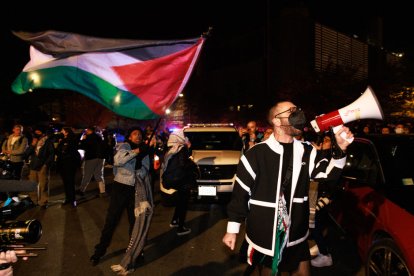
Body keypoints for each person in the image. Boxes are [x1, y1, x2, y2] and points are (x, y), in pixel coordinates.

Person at [222, 101, 353, 276]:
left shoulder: (308, 151)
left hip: (297, 232)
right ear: (276, 121)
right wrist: (232, 229)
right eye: (291, 111)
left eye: (297, 110)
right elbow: (240, 193)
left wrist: (341, 149)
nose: (297, 114)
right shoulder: (255, 154)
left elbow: (327, 175)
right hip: (265, 233)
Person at [90, 127, 150, 267]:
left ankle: (136, 252)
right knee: (111, 221)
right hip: (120, 188)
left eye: (140, 134)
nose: (138, 136)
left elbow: (146, 169)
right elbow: (118, 161)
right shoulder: (124, 146)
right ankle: (100, 251)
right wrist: (136, 152)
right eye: (135, 133)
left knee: (135, 223)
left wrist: (139, 171)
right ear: (129, 136)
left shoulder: (144, 150)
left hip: (135, 190)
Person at [161, 129, 196, 236]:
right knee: (183, 203)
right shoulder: (182, 149)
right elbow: (183, 164)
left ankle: (174, 221)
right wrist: (192, 163)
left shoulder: (171, 149)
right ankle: (181, 228)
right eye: (183, 136)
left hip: (176, 180)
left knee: (180, 201)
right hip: (183, 181)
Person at [25, 126, 55, 208]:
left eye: (39, 132)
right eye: (36, 132)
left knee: (43, 184)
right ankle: (33, 200)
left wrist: (46, 165)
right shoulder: (33, 141)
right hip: (33, 165)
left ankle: (43, 202)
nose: (37, 133)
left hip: (43, 166)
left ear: (43, 133)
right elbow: (26, 153)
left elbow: (52, 154)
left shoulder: (48, 142)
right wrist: (32, 145)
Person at [77, 126, 107, 197]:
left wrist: (83, 140)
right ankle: (102, 191)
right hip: (101, 158)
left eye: (86, 130)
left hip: (91, 157)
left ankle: (82, 190)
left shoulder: (89, 137)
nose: (86, 131)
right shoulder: (99, 137)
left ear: (89, 130)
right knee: (99, 175)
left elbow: (82, 146)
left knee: (87, 175)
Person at [56, 127, 81, 208]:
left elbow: (70, 151)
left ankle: (73, 199)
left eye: (62, 131)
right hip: (62, 164)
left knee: (70, 182)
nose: (61, 132)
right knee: (65, 182)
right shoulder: (62, 140)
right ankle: (67, 198)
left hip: (70, 164)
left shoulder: (72, 140)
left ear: (66, 132)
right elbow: (58, 151)